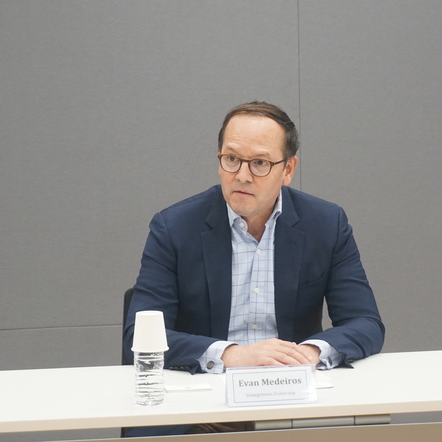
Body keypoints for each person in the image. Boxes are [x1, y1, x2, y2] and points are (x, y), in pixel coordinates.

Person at [122, 101, 385, 437]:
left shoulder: (325, 224)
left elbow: (365, 323)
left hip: (292, 401)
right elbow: (140, 336)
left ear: (288, 169)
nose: (242, 175)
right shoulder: (174, 227)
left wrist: (308, 353)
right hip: (201, 404)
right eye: (232, 159)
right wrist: (232, 355)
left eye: (260, 163)